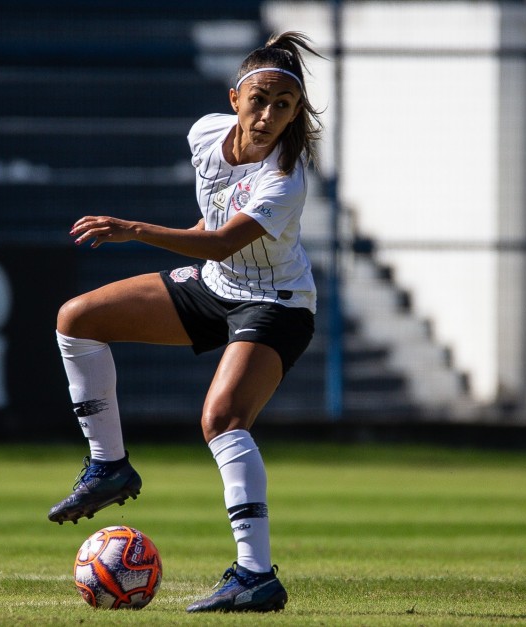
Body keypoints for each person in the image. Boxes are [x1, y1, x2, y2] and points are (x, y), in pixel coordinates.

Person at [48, 31, 324, 613]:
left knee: (223, 419)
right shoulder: (204, 134)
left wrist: (135, 230)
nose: (270, 115)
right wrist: (163, 236)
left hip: (275, 302)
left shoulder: (286, 176)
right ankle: (108, 465)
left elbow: (223, 241)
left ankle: (255, 575)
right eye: (261, 100)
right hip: (214, 287)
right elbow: (210, 225)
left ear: (297, 114)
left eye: (284, 106)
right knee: (77, 319)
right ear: (234, 98)